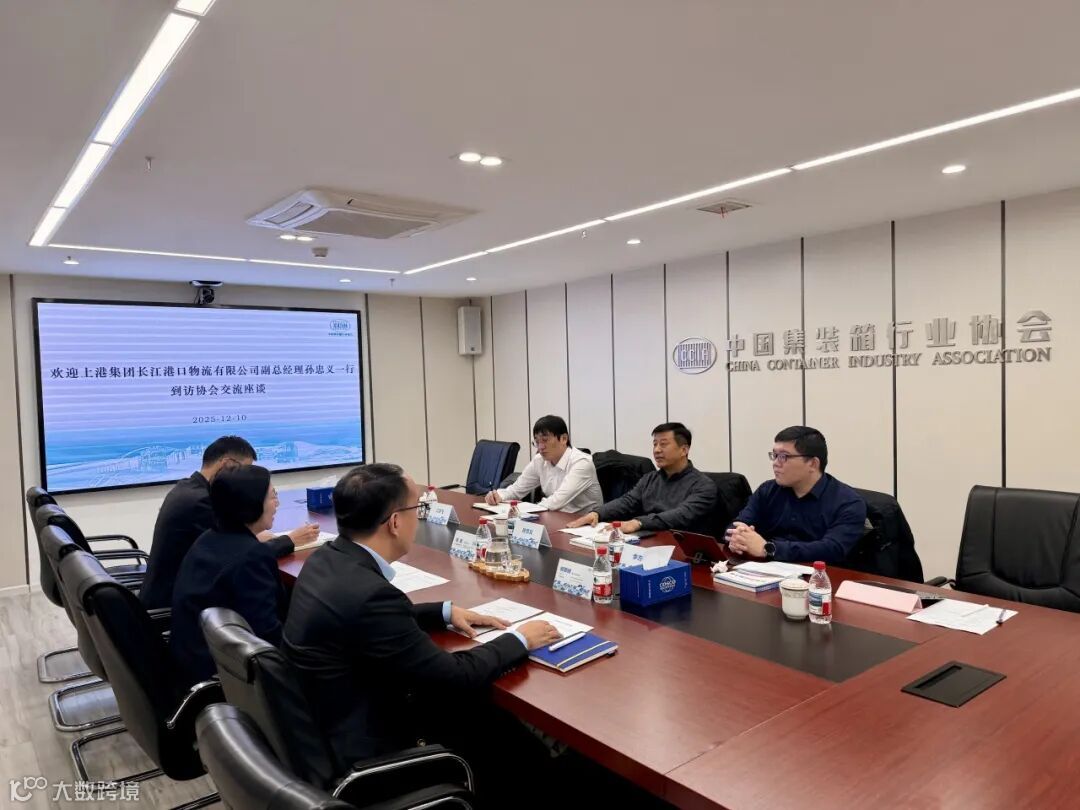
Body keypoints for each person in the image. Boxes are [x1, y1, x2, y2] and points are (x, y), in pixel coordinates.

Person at [282, 463, 561, 769]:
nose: (419, 517)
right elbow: (455, 676)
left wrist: (443, 612)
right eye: (417, 508)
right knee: (498, 725)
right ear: (395, 522)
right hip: (375, 749)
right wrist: (520, 639)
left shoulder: (325, 558)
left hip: (322, 727)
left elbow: (369, 620)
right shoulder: (372, 596)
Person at [140, 436, 319, 609]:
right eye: (244, 471)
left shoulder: (188, 487)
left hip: (184, 593)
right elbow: (236, 556)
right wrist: (290, 540)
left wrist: (251, 537)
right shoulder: (201, 501)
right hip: (173, 603)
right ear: (226, 464)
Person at [169, 465, 287, 688]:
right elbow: (267, 636)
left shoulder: (209, 538)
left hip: (193, 663)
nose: (277, 504)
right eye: (273, 496)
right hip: (225, 677)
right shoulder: (251, 556)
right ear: (252, 503)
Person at [726, 426, 867, 564]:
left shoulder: (849, 503)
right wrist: (737, 537)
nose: (775, 463)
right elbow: (737, 525)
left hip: (819, 575)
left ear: (812, 463)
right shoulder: (767, 490)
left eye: (784, 457)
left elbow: (833, 549)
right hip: (763, 570)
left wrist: (769, 549)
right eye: (774, 455)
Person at [567, 422, 717, 535]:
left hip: (680, 547)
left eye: (663, 444)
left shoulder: (703, 486)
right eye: (655, 444)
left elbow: (681, 515)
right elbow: (627, 502)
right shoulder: (650, 478)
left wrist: (638, 522)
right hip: (646, 540)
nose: (657, 450)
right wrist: (597, 513)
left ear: (684, 450)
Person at [484, 415, 602, 514]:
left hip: (585, 525)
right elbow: (516, 490)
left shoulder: (581, 463)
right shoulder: (539, 460)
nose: (540, 447)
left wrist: (524, 511)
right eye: (537, 442)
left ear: (564, 439)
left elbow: (556, 501)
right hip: (555, 519)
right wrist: (498, 495)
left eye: (545, 440)